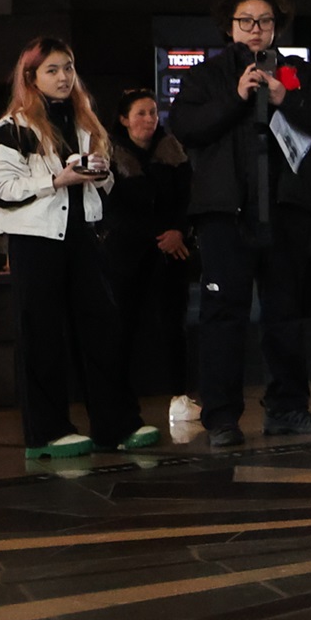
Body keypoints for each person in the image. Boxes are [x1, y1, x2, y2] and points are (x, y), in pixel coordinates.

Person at [168, 0, 311, 448]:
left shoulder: (296, 72)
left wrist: (288, 98)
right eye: (246, 21)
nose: (256, 29)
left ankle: (288, 408)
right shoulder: (208, 75)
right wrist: (236, 96)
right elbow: (187, 127)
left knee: (285, 311)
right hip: (226, 212)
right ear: (229, 26)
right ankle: (222, 417)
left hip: (286, 210)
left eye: (264, 21)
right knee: (223, 314)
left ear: (276, 27)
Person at [0, 38, 158, 459]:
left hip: (84, 235)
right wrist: (56, 179)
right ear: (31, 77)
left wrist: (99, 174)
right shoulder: (11, 128)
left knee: (102, 329)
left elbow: (102, 185)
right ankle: (46, 432)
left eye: (68, 68)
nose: (63, 77)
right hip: (35, 240)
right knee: (41, 335)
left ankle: (115, 423)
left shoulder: (85, 121)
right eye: (52, 70)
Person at [100, 87, 198, 426]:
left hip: (172, 256)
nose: (149, 119)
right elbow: (111, 211)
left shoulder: (175, 154)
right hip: (128, 256)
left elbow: (188, 200)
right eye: (141, 113)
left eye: (153, 112)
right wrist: (162, 236)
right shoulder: (108, 156)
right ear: (124, 119)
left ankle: (180, 395)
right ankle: (120, 402)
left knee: (175, 325)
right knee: (123, 328)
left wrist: (179, 233)